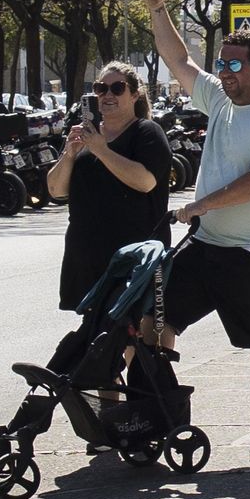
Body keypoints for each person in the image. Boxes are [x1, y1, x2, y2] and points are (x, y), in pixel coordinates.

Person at [143, 0, 250, 462]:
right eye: (221, 63)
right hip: (207, 244)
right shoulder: (219, 99)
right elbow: (178, 60)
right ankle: (161, 413)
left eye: (234, 65)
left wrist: (198, 205)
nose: (225, 72)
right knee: (155, 318)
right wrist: (157, 10)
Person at [46, 63, 172, 312]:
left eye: (117, 88)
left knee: (134, 337)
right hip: (87, 255)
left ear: (134, 95)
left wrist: (101, 149)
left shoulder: (147, 132)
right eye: (101, 88)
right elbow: (56, 190)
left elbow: (146, 182)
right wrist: (70, 154)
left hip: (135, 257)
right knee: (95, 338)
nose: (108, 95)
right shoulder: (87, 136)